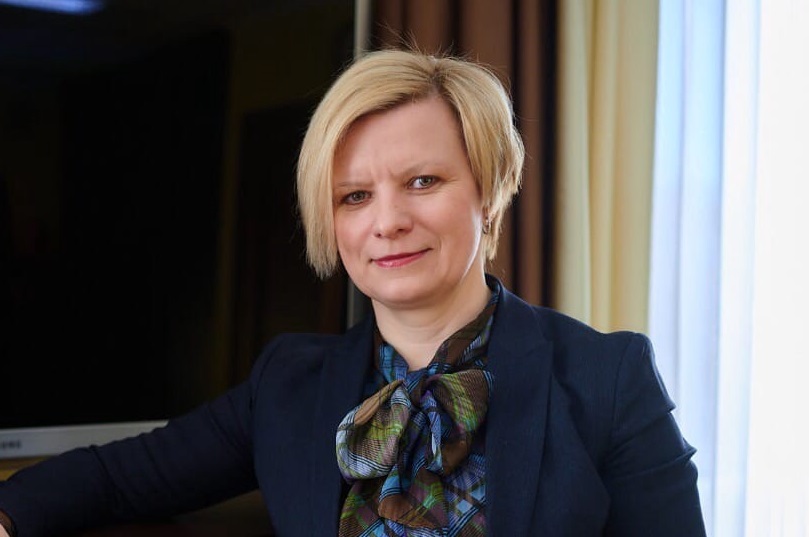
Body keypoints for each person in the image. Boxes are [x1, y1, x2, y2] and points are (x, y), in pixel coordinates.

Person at [0, 48, 706, 536]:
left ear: (488, 194)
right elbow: (119, 477)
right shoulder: (287, 383)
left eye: (422, 181)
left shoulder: (608, 379)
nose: (387, 221)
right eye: (354, 195)